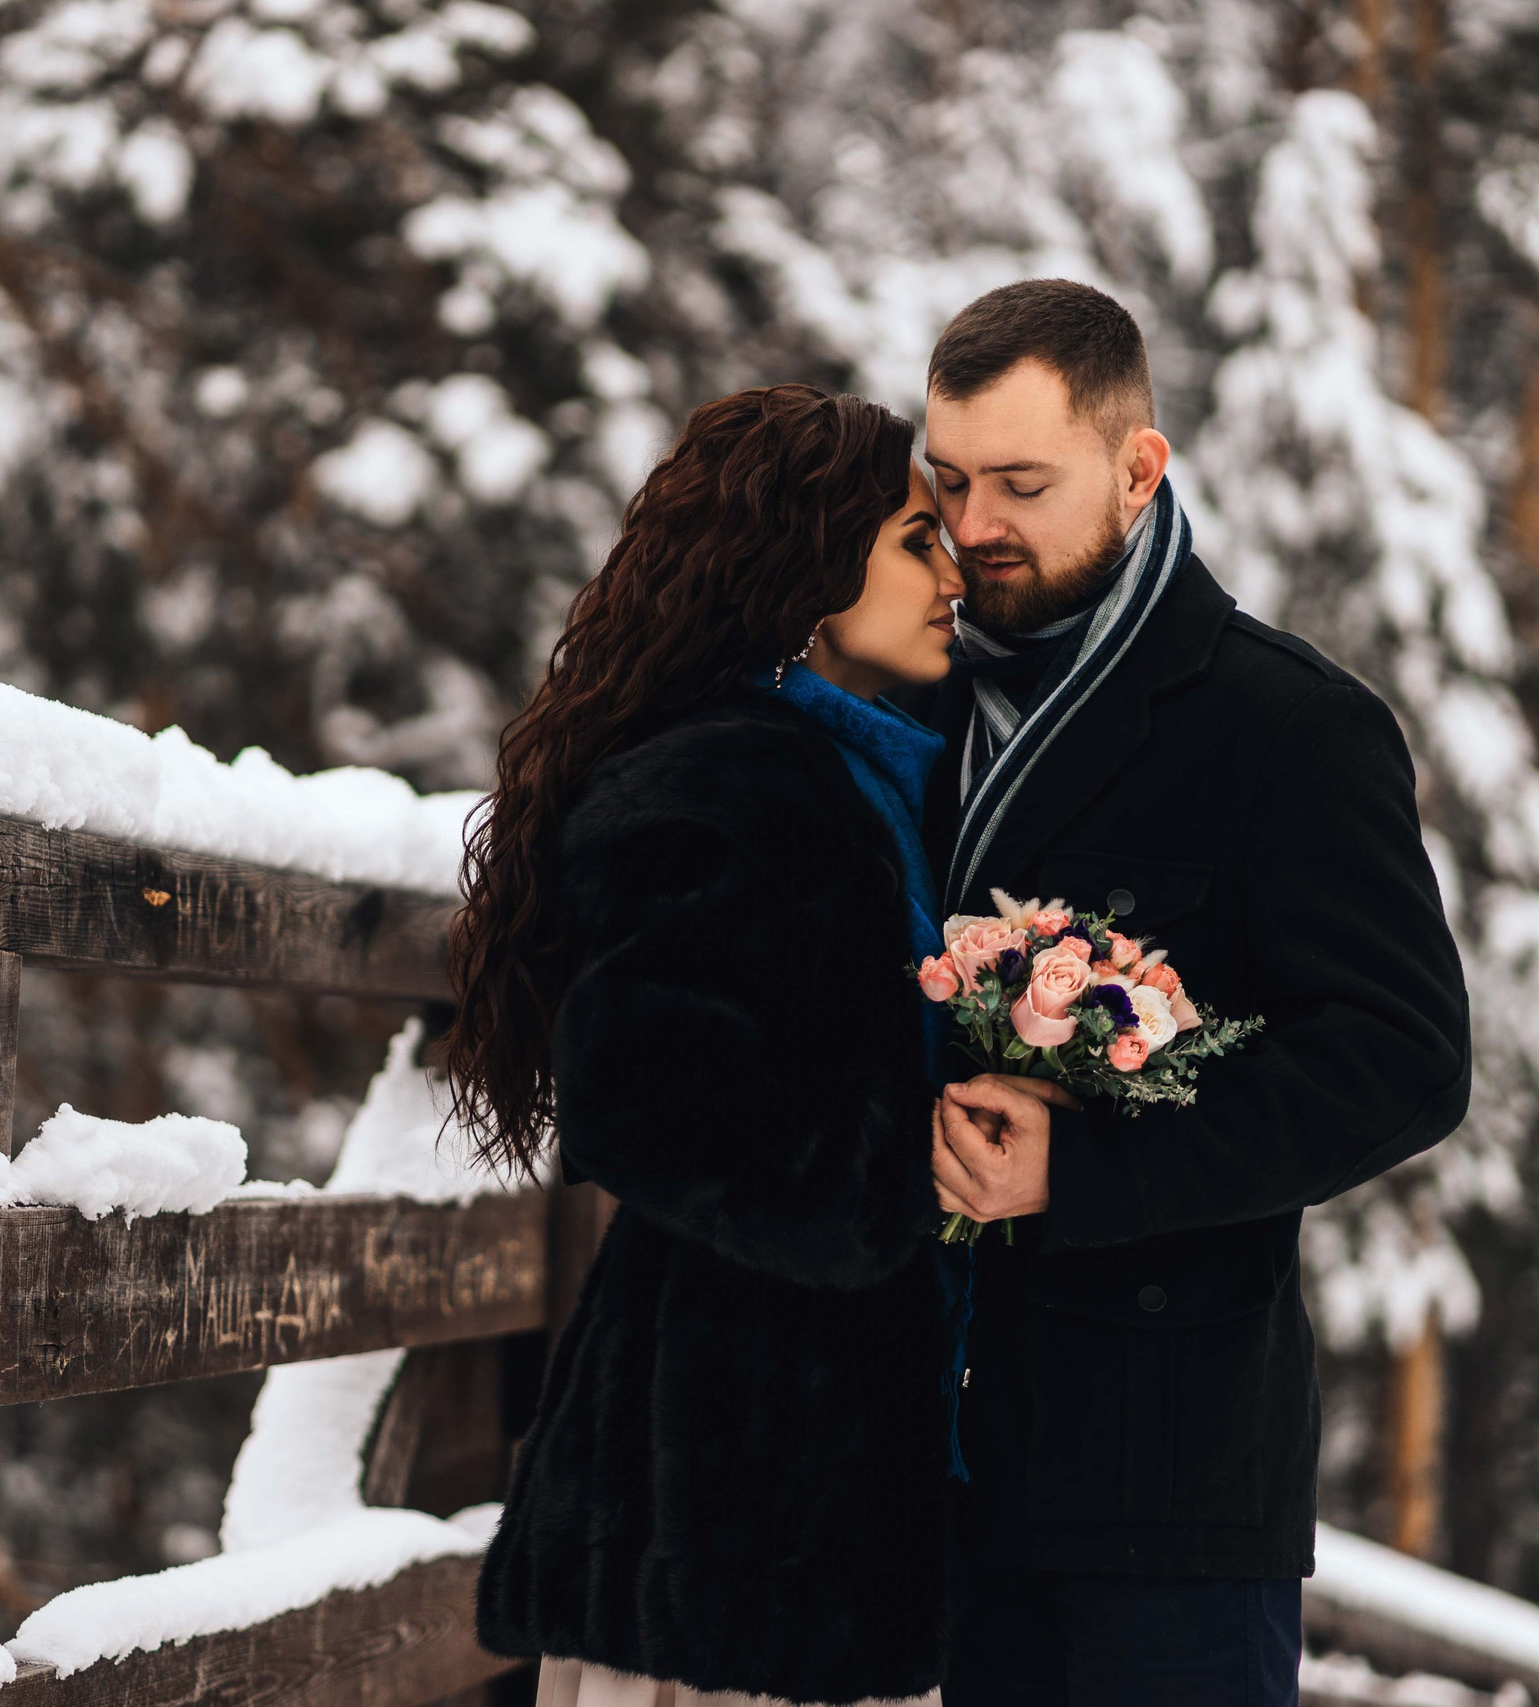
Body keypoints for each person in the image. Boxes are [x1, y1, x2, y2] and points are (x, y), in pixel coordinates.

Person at [916, 280, 1473, 1705]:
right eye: (953, 479)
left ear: (1139, 467)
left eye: (1022, 484)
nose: (976, 524)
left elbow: (1403, 1059)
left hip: (1165, 1474)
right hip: (895, 1455)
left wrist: (1085, 1164)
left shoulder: (1288, 726)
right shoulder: (902, 699)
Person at [452, 384, 970, 1707]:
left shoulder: (875, 775)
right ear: (811, 561)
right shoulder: (726, 783)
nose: (951, 568)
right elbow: (647, 1102)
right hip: (735, 1485)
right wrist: (895, 1181)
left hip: (819, 1477)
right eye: (917, 538)